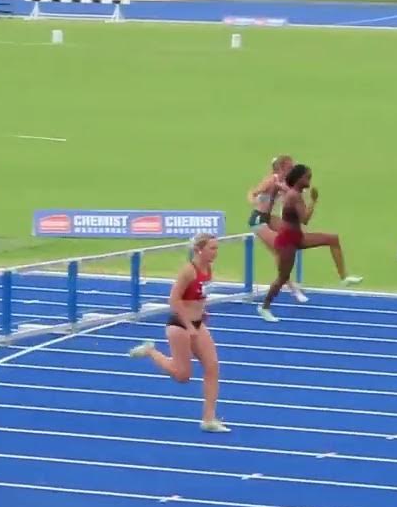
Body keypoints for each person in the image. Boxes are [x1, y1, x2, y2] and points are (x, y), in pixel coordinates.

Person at [128, 232, 229, 433]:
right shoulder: (187, 271)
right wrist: (189, 325)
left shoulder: (208, 269)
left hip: (198, 324)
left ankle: (208, 419)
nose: (216, 252)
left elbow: (198, 296)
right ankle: (150, 351)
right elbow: (173, 301)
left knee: (213, 366)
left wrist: (202, 312)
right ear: (199, 250)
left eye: (217, 248)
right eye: (212, 248)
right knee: (183, 375)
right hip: (179, 326)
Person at [257, 163, 362, 323]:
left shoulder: (293, 192)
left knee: (332, 239)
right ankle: (264, 307)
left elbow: (283, 188)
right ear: (299, 179)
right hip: (288, 241)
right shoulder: (295, 196)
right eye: (307, 177)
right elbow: (305, 219)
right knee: (282, 277)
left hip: (297, 237)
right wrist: (314, 201)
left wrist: (277, 188)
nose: (310, 180)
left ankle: (344, 277)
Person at [247, 156, 308, 302]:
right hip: (259, 219)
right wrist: (255, 201)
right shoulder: (270, 180)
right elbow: (252, 193)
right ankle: (293, 289)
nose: (293, 169)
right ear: (281, 168)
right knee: (280, 252)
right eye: (290, 167)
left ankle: (290, 284)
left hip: (269, 218)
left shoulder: (285, 182)